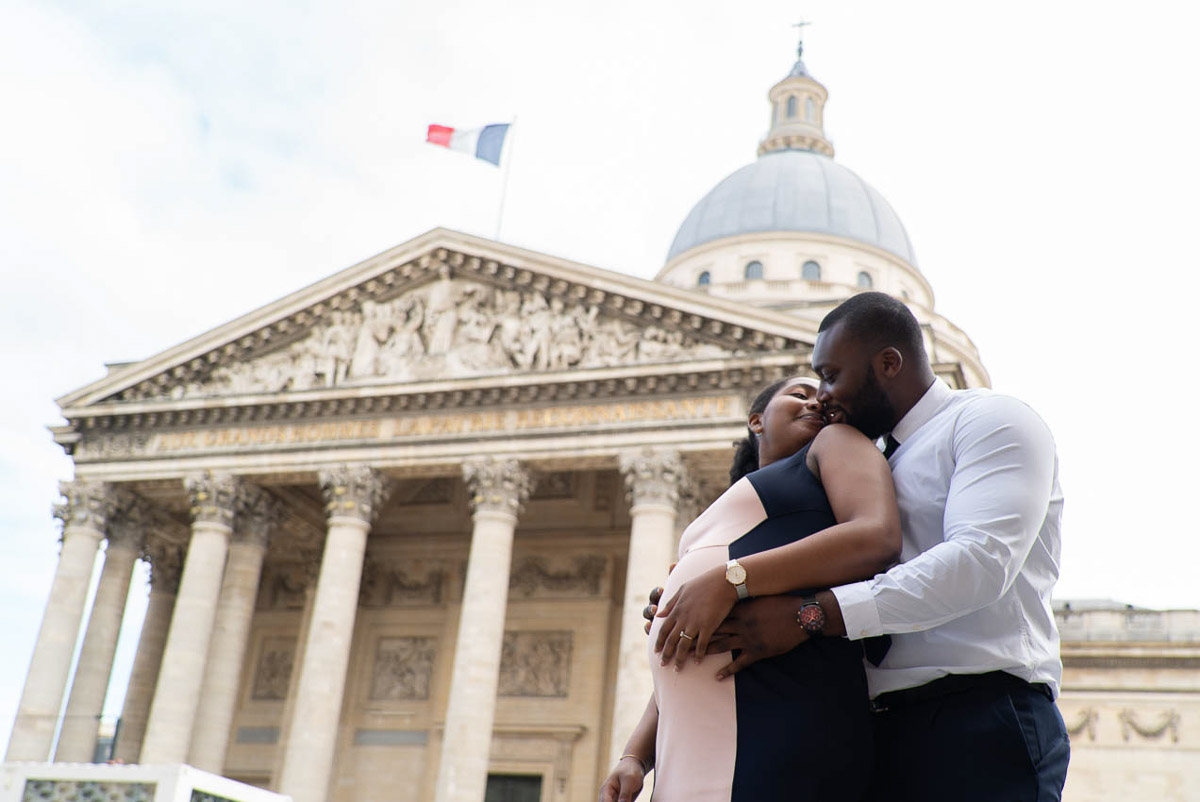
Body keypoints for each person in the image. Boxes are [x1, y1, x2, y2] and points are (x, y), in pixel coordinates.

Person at [664, 292, 1069, 801]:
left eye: (831, 375)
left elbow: (979, 564)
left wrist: (807, 615)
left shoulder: (992, 421)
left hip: (980, 714)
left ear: (888, 363)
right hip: (873, 732)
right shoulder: (864, 464)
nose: (823, 396)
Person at [599, 376, 902, 802]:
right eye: (800, 394)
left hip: (772, 735)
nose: (817, 402)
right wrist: (635, 755)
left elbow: (877, 537)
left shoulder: (833, 444)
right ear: (756, 420)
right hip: (684, 759)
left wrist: (729, 579)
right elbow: (683, 647)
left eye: (825, 399)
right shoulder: (725, 507)